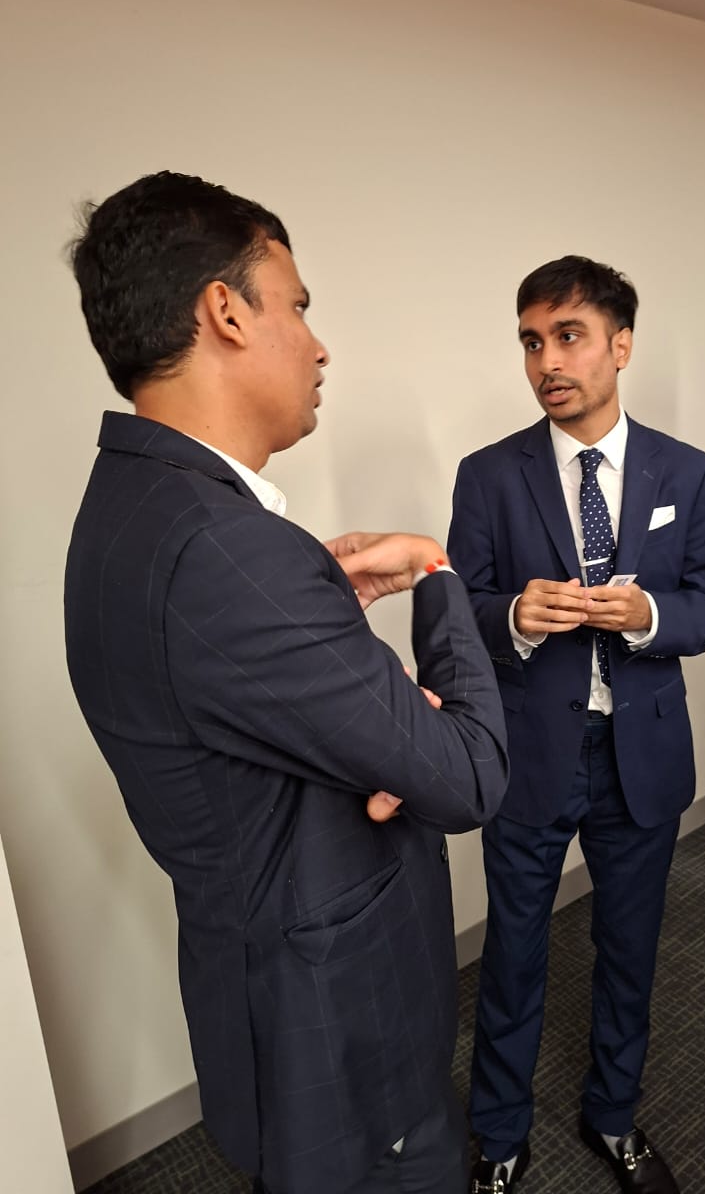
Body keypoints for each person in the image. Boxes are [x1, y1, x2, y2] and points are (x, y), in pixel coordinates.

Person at [63, 171, 510, 1194]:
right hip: (338, 1025)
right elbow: (470, 774)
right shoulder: (230, 551)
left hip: (268, 988)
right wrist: (437, 576)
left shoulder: (133, 505)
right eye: (297, 306)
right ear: (226, 311)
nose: (318, 345)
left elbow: (236, 713)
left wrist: (373, 710)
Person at [447, 255, 705, 1194]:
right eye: (532, 342)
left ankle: (613, 1115)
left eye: (568, 337)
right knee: (513, 955)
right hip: (532, 753)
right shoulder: (488, 475)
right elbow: (456, 613)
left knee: (629, 951)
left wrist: (649, 616)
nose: (547, 362)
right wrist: (512, 617)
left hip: (640, 753)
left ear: (621, 346)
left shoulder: (687, 472)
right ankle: (499, 1136)